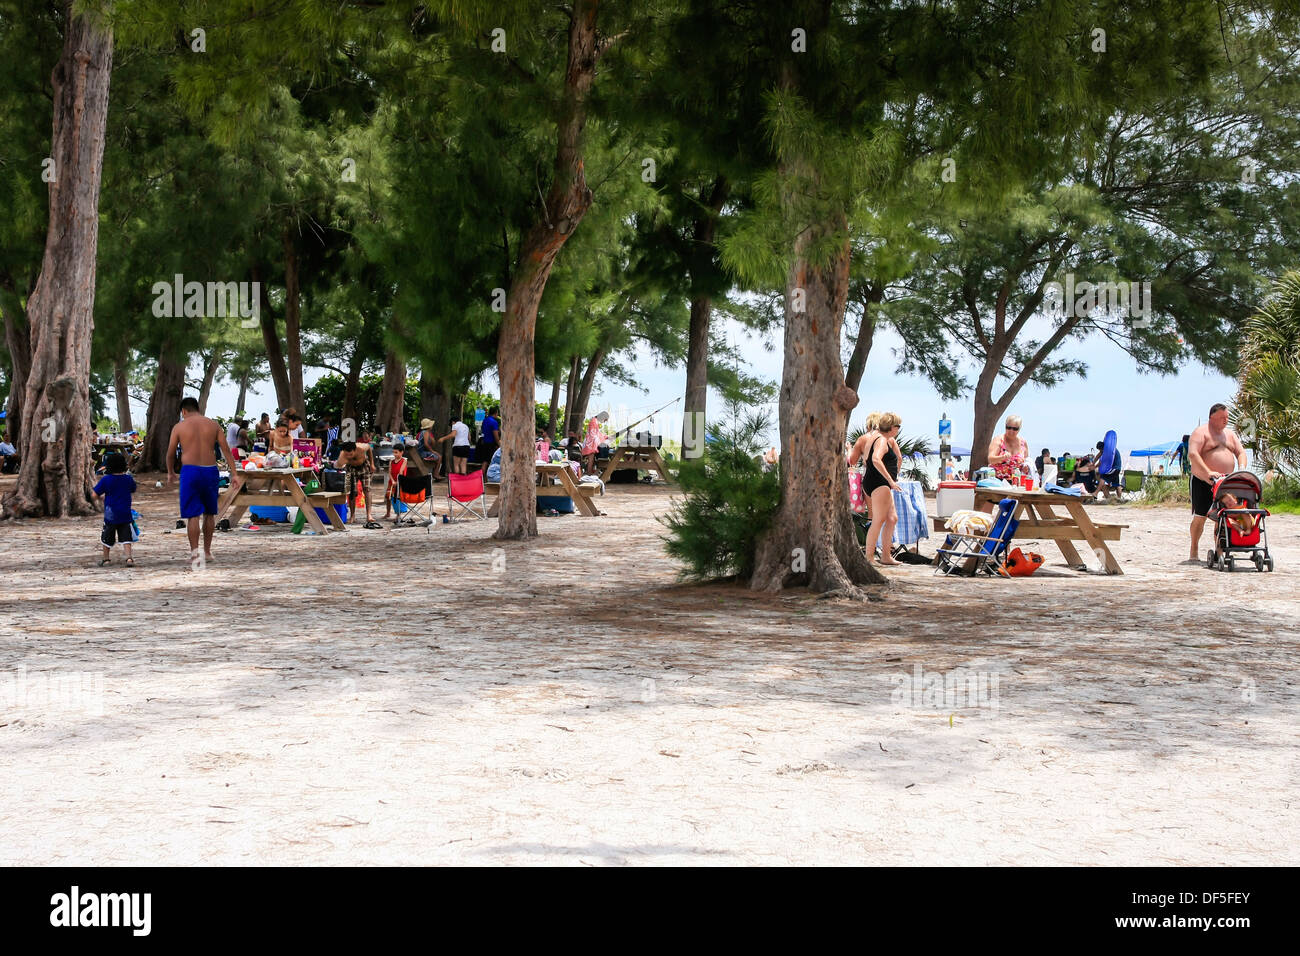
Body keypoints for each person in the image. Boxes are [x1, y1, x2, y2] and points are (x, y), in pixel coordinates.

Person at [166, 396, 239, 566]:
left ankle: (194, 554)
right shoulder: (213, 425)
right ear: (197, 408)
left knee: (192, 515)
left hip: (190, 471)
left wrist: (170, 472)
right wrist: (234, 473)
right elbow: (226, 449)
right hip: (210, 470)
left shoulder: (179, 426)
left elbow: (170, 453)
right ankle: (207, 551)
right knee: (209, 513)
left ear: (184, 411)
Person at [1188, 402, 1247, 562]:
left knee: (1222, 516)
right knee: (1200, 516)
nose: (1226, 420)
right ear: (1212, 417)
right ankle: (1194, 549)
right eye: (1222, 417)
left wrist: (1241, 469)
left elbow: (1240, 452)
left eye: (1227, 417)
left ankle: (1219, 550)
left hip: (1225, 482)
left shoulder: (1230, 434)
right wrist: (1208, 472)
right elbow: (1193, 454)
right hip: (1203, 480)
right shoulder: (1201, 433)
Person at [849, 411, 903, 566]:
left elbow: (866, 459)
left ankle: (886, 556)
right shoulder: (881, 440)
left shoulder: (875, 436)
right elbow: (875, 459)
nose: (898, 430)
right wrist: (890, 481)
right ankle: (870, 558)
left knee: (892, 518)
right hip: (880, 484)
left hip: (876, 482)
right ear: (892, 427)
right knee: (878, 520)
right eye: (898, 427)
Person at [93, 452, 137, 567]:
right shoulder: (128, 479)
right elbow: (133, 489)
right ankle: (129, 558)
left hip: (110, 515)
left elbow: (94, 495)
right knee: (126, 537)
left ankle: (106, 559)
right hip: (125, 513)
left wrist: (102, 497)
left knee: (107, 536)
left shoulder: (106, 480)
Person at [334, 439, 380, 528]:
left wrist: (372, 464)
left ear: (355, 450)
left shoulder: (361, 447)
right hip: (350, 469)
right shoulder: (342, 457)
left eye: (351, 454)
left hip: (364, 467)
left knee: (367, 489)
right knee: (352, 492)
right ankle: (352, 515)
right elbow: (338, 467)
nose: (349, 456)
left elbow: (370, 449)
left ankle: (369, 514)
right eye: (347, 455)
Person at [988, 415, 1029, 481]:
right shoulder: (999, 440)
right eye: (1008, 427)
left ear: (1019, 429)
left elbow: (1027, 461)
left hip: (1016, 482)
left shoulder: (1023, 443)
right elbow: (990, 459)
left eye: (1015, 429)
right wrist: (1002, 457)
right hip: (997, 481)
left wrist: (1026, 467)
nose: (1011, 431)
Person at [382, 442, 408, 519]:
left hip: (400, 481)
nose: (394, 454)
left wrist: (397, 481)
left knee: (398, 497)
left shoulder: (404, 461)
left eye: (396, 452)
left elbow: (400, 472)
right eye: (393, 452)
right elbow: (389, 472)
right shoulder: (391, 461)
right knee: (388, 497)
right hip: (392, 482)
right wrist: (393, 481)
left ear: (402, 452)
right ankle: (388, 512)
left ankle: (398, 514)